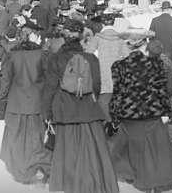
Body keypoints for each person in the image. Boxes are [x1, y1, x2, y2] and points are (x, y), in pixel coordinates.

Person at [42, 19, 118, 193]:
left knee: (68, 151)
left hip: (64, 112)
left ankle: (70, 185)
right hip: (88, 111)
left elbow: (50, 88)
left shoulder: (55, 59)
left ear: (64, 36)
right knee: (92, 152)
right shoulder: (91, 58)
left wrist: (47, 113)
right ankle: (92, 184)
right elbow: (97, 86)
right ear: (81, 38)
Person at [107, 37, 172, 191]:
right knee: (156, 151)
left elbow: (118, 93)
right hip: (152, 113)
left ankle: (140, 180)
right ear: (145, 45)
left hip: (129, 115)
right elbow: (162, 91)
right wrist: (167, 111)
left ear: (128, 45)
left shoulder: (119, 66)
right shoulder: (156, 64)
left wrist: (114, 114)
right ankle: (154, 182)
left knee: (135, 151)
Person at [0, 26, 52, 185]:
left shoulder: (11, 55)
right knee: (36, 138)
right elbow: (49, 79)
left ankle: (21, 170)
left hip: (16, 104)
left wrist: (1, 100)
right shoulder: (43, 55)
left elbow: (6, 81)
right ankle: (39, 168)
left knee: (16, 138)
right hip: (36, 103)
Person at [84, 12, 131, 122]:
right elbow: (128, 56)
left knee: (104, 100)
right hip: (117, 73)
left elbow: (88, 53)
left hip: (102, 72)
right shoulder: (119, 38)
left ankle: (107, 122)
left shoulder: (98, 37)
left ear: (102, 25)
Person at [148, 0, 172, 69]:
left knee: (159, 71)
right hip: (170, 51)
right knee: (170, 70)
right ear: (169, 9)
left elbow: (150, 36)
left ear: (162, 10)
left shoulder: (155, 20)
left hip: (158, 51)